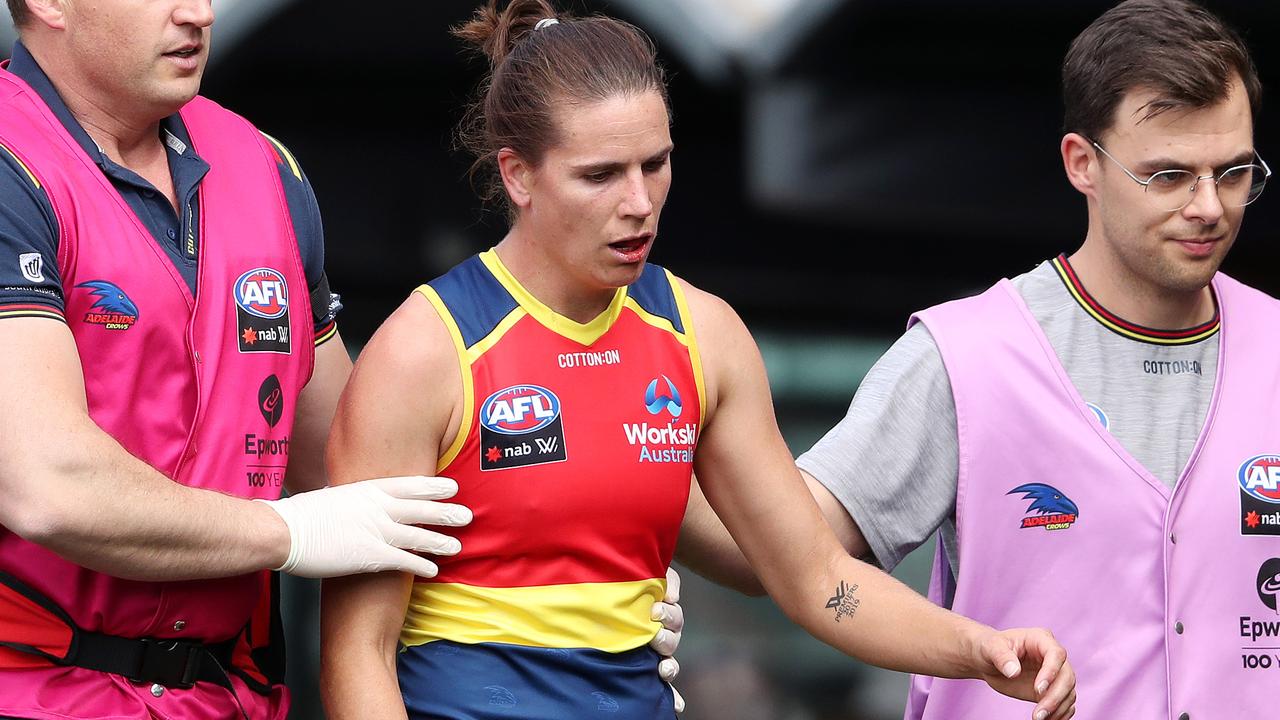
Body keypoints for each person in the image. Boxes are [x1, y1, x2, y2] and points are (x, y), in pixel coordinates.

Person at [319, 3, 1077, 720]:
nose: (640, 201)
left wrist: (976, 647)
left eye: (657, 163)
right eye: (601, 174)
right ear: (518, 175)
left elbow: (819, 580)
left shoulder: (700, 334)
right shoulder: (424, 350)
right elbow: (357, 654)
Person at [676, 1, 1275, 718]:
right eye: (1169, 176)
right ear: (1082, 163)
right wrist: (621, 468)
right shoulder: (968, 359)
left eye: (1233, 171)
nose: (1210, 207)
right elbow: (774, 553)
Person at [0, 1, 481, 718]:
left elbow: (359, 461)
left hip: (233, 696)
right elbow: (47, 486)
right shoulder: (12, 162)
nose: (198, 13)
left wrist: (581, 581)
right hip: (35, 689)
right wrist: (288, 534)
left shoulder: (262, 165)